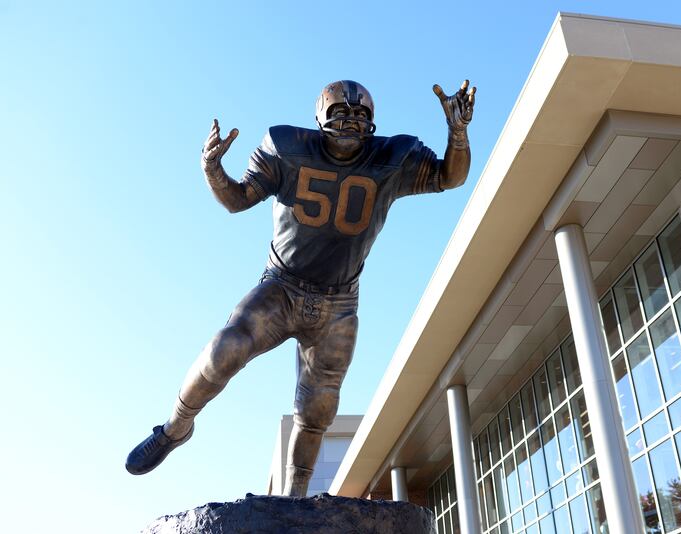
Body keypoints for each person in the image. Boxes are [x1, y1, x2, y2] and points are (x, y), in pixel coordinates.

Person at [126, 79, 476, 496]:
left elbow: (449, 177)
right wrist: (212, 170)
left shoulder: (391, 158)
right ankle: (174, 428)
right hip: (282, 286)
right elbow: (238, 200)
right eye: (340, 113)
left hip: (339, 301)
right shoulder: (286, 147)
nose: (350, 122)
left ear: (373, 122)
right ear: (319, 118)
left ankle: (294, 500)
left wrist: (457, 135)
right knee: (226, 349)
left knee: (318, 408)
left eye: (360, 115)